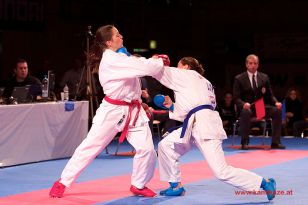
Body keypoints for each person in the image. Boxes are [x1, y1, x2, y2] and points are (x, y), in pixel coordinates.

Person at [49, 25, 167, 198]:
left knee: (147, 149)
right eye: (118, 35)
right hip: (112, 111)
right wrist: (157, 62)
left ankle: (139, 184)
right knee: (90, 146)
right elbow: (143, 67)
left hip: (133, 110)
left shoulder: (120, 56)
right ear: (109, 42)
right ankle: (63, 181)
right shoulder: (111, 59)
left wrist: (149, 64)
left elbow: (135, 63)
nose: (122, 36)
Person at [153, 56, 277, 201]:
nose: (177, 69)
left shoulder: (188, 75)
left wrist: (155, 62)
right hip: (194, 123)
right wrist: (171, 105)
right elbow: (189, 110)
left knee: (221, 172)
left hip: (205, 126)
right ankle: (175, 185)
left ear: (186, 67)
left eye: (179, 66)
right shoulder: (202, 82)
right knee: (166, 146)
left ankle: (264, 183)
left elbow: (158, 71)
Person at [233, 54, 285, 150]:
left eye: (255, 63)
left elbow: (270, 95)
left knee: (277, 111)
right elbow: (236, 98)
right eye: (251, 63)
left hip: (260, 108)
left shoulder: (264, 77)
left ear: (258, 65)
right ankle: (245, 142)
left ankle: (276, 142)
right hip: (247, 108)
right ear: (246, 65)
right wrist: (243, 104)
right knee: (246, 112)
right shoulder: (239, 78)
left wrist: (276, 102)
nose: (253, 65)